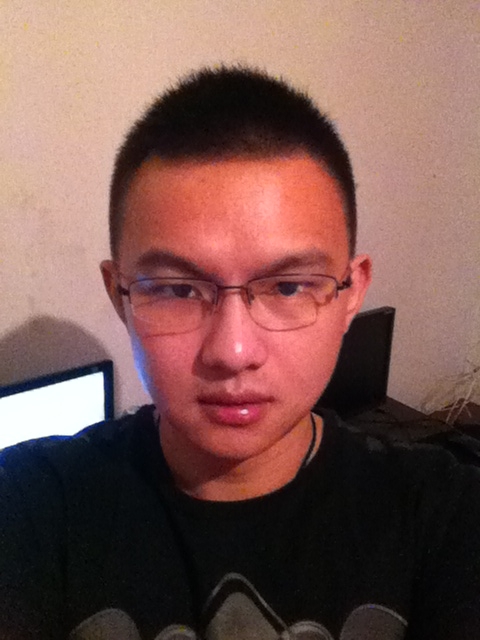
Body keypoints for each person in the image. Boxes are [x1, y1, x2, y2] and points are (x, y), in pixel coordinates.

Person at [1, 66, 480, 640]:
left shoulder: (447, 516)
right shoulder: (30, 504)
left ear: (351, 292)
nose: (232, 352)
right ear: (118, 294)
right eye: (178, 290)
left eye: (288, 286)